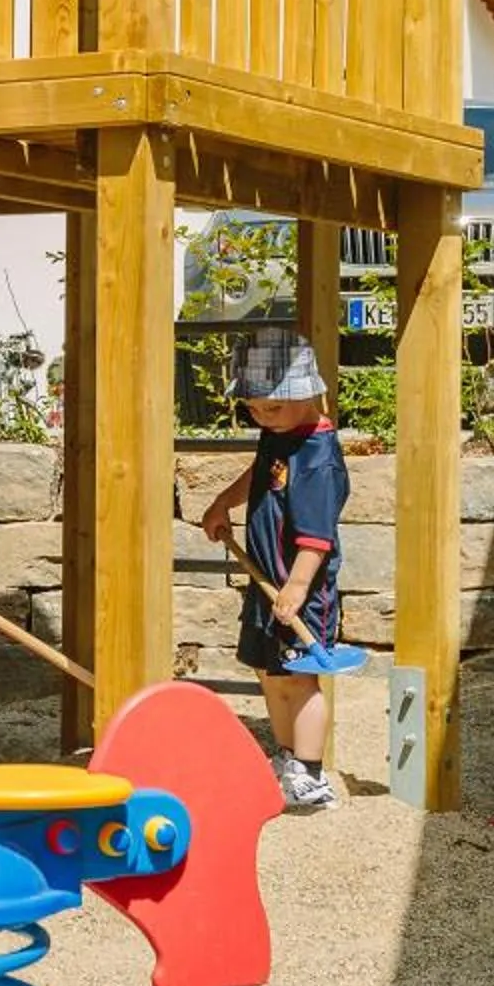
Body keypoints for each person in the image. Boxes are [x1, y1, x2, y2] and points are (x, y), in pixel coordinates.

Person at [200, 336, 348, 814]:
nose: (263, 417)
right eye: (255, 409)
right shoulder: (280, 436)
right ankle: (287, 758)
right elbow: (261, 473)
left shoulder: (317, 458)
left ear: (308, 394)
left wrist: (299, 587)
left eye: (273, 408)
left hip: (299, 590)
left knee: (301, 676)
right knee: (271, 673)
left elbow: (316, 537)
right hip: (267, 583)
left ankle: (311, 773)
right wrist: (224, 501)